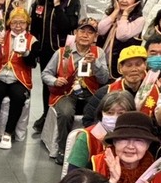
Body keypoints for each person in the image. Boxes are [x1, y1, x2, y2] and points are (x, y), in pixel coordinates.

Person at [40, 18, 111, 164]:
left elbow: (104, 79)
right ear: (75, 33)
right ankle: (62, 149)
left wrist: (95, 63)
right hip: (66, 92)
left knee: (100, 113)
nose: (85, 35)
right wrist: (55, 81)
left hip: (90, 92)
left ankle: (93, 149)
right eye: (82, 31)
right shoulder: (63, 52)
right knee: (66, 113)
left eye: (90, 33)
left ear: (95, 37)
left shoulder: (98, 53)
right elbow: (45, 73)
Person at [30, 0, 82, 132]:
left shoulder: (72, 0)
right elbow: (34, 27)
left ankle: (60, 118)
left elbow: (68, 26)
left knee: (63, 83)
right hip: (44, 50)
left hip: (64, 51)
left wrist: (58, 5)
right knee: (47, 83)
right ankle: (46, 114)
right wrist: (34, 49)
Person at [0, 6, 40, 150]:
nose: (18, 26)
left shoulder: (32, 40)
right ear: (9, 23)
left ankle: (8, 132)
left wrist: (26, 53)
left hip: (18, 77)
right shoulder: (2, 35)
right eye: (14, 22)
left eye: (22, 22)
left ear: (27, 23)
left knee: (18, 97)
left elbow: (32, 64)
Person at [67, 91, 135, 171]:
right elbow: (73, 173)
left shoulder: (137, 136)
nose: (115, 117)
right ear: (101, 113)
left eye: (121, 113)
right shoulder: (88, 137)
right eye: (109, 113)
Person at [97, 0, 145, 78]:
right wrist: (115, 11)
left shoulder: (139, 20)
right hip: (101, 62)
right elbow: (101, 30)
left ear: (136, 2)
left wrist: (125, 14)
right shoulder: (111, 14)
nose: (124, 0)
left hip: (118, 67)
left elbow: (121, 36)